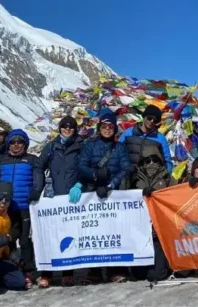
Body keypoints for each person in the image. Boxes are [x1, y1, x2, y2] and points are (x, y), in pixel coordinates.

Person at [77, 111, 131, 282]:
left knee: (114, 231)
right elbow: (81, 165)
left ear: (115, 128)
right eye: (104, 126)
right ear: (99, 127)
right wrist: (95, 175)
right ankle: (94, 270)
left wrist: (110, 184)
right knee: (94, 231)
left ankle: (115, 269)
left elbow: (126, 167)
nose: (107, 129)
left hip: (112, 193)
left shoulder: (120, 147)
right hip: (92, 191)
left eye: (110, 126)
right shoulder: (89, 145)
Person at [0, 129, 41, 289]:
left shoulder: (31, 160)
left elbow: (38, 178)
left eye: (20, 142)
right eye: (13, 142)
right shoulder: (2, 161)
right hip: (4, 208)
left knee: (25, 240)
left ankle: (28, 270)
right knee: (7, 240)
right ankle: (10, 269)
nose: (16, 145)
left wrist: (36, 190)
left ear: (25, 143)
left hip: (24, 207)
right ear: (9, 143)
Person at [34, 115, 84, 288]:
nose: (67, 129)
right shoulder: (51, 147)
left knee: (68, 235)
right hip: (53, 198)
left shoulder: (80, 147)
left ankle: (67, 273)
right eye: (64, 126)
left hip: (72, 198)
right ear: (60, 128)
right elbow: (39, 167)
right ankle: (46, 273)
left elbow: (86, 168)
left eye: (71, 126)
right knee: (51, 235)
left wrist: (80, 185)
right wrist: (38, 188)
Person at [129, 144, 170, 282]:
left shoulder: (168, 178)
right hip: (140, 233)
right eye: (147, 161)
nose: (151, 164)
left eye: (155, 160)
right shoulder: (134, 180)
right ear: (142, 163)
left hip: (159, 234)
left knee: (159, 274)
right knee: (139, 275)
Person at [119, 105, 173, 174]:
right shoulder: (129, 133)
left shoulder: (160, 138)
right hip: (127, 176)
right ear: (144, 116)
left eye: (155, 120)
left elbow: (167, 161)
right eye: (150, 118)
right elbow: (117, 152)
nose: (152, 121)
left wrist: (166, 177)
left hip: (148, 180)